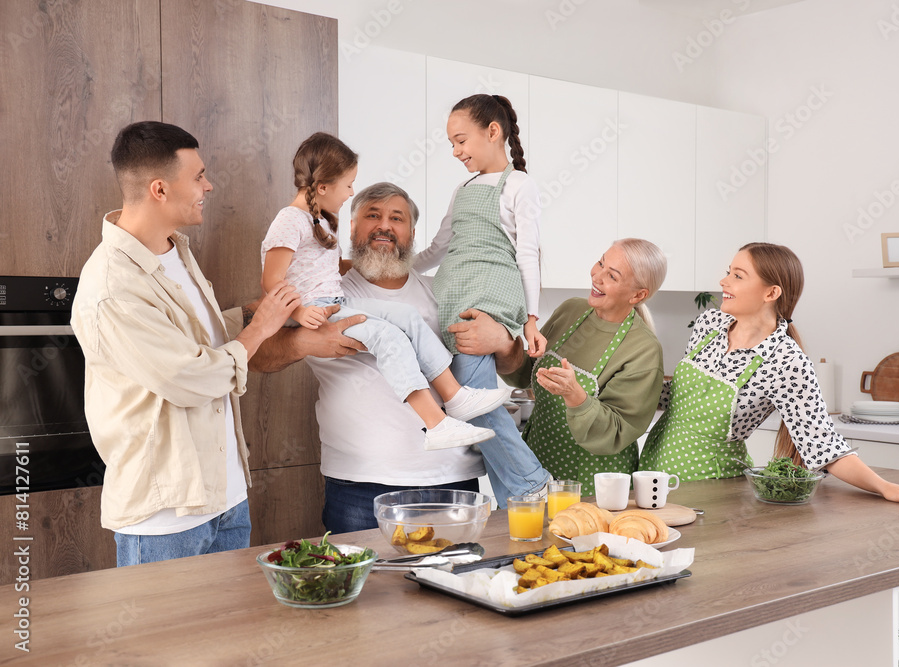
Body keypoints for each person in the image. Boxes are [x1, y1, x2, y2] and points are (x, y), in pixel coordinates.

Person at [251, 182, 548, 532]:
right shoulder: (323, 294)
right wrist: (306, 342)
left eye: (397, 218)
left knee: (455, 584)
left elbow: (511, 367)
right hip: (360, 488)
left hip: (453, 483)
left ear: (412, 232)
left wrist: (502, 341)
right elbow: (257, 355)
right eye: (372, 215)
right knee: (369, 588)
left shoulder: (445, 292)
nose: (385, 226)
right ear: (350, 226)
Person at [70, 121, 302, 566]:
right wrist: (258, 331)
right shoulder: (111, 286)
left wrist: (257, 313)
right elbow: (189, 376)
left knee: (226, 637)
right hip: (166, 519)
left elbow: (201, 341)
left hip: (226, 496)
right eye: (198, 176)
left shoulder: (176, 251)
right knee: (156, 639)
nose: (208, 185)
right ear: (159, 189)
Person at [639, 242, 899, 507]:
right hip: (651, 469)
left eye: (737, 276)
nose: (724, 282)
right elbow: (677, 400)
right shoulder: (709, 325)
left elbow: (822, 444)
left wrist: (884, 487)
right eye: (728, 273)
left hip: (709, 487)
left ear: (771, 293)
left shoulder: (785, 360)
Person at [261, 133, 506, 450]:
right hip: (319, 310)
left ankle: (456, 397)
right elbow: (272, 283)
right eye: (349, 186)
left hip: (336, 303)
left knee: (406, 316)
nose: (350, 192)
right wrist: (299, 314)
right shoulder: (289, 221)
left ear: (412, 231)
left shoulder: (322, 222)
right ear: (323, 187)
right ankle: (437, 423)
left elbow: (320, 267)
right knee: (390, 336)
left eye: (396, 218)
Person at [412, 93, 550, 502]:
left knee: (470, 403)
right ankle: (517, 507)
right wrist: (391, 268)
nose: (455, 152)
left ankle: (532, 481)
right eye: (451, 144)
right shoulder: (464, 188)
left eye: (460, 140)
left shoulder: (520, 185)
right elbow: (438, 248)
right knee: (467, 399)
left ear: (493, 132)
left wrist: (531, 319)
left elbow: (528, 253)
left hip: (486, 299)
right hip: (452, 296)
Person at [498, 239, 667, 498]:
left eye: (611, 275)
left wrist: (575, 396)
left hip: (592, 479)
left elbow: (618, 431)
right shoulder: (572, 310)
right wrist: (504, 346)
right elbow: (525, 374)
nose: (596, 276)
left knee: (579, 538)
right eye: (601, 262)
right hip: (535, 461)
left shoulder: (643, 350)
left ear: (637, 295)